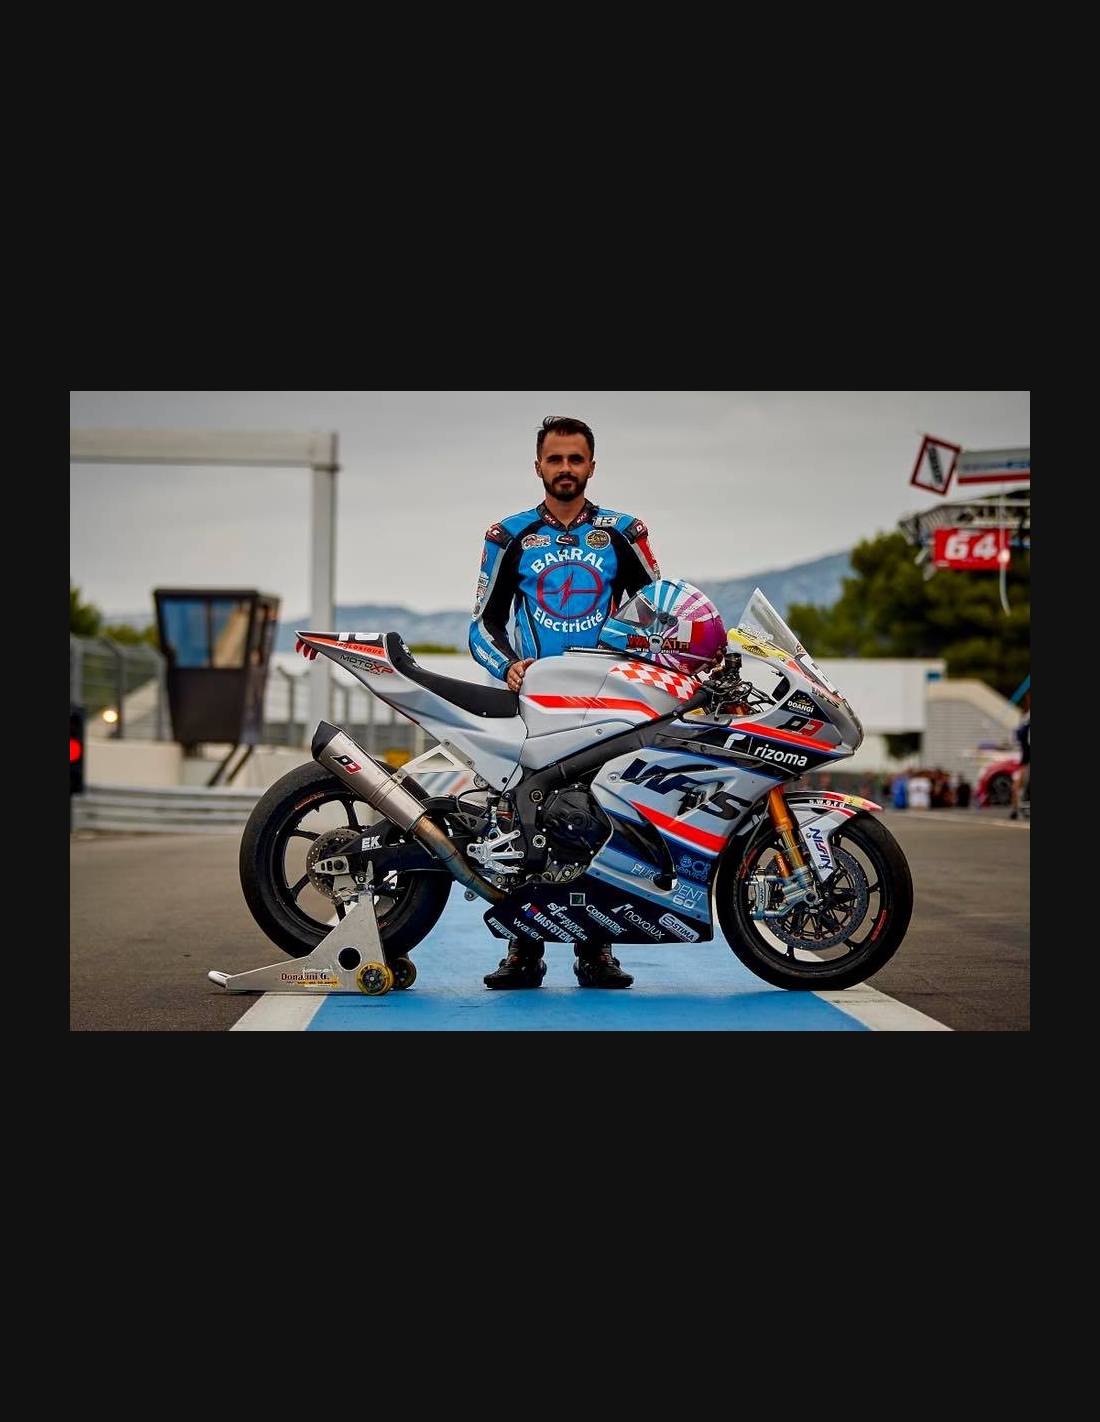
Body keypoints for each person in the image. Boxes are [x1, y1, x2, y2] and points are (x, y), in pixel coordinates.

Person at [470, 415, 662, 992]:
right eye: (555, 459)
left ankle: (596, 949)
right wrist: (507, 666)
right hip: (536, 704)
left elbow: (659, 613)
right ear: (538, 466)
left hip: (609, 700)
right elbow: (482, 625)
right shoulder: (509, 536)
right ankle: (522, 949)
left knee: (600, 819)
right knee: (526, 819)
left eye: (575, 459)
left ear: (591, 466)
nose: (565, 469)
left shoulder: (624, 531)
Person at [1011, 698, 1030, 820]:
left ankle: (1016, 809)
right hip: (1025, 758)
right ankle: (1016, 809)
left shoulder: (1024, 723)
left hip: (1025, 758)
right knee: (1019, 785)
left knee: (1019, 785)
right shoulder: (1025, 722)